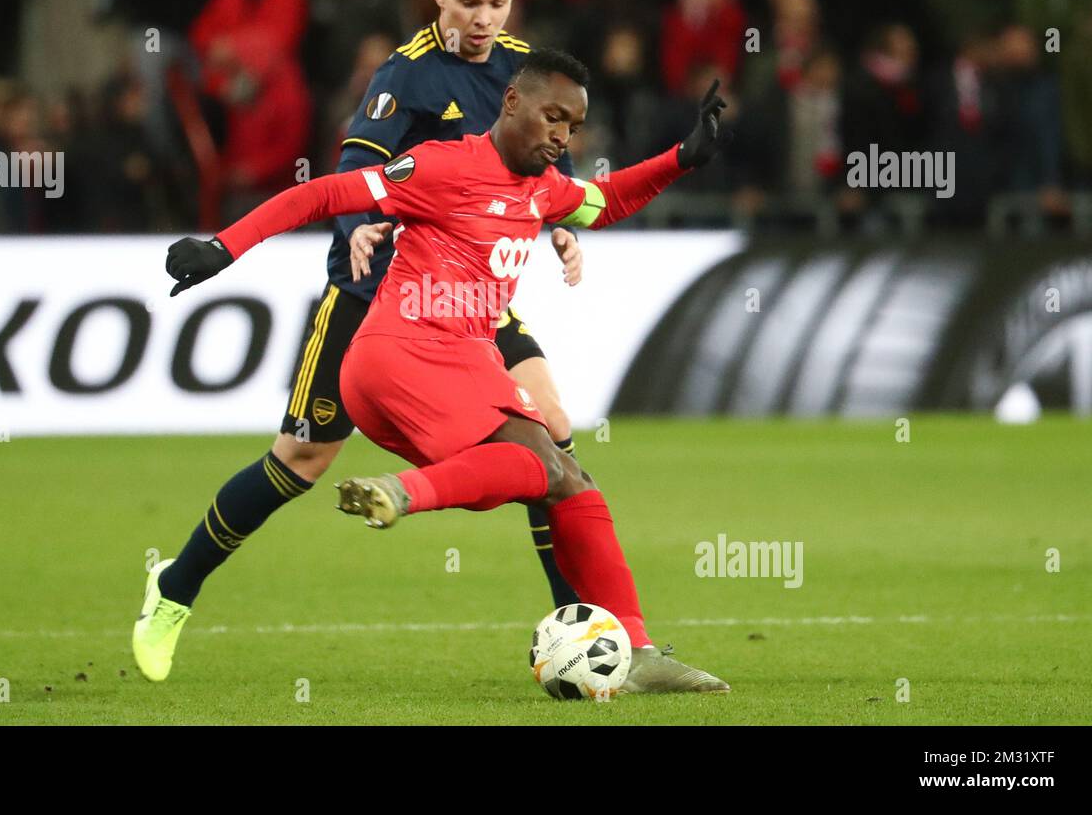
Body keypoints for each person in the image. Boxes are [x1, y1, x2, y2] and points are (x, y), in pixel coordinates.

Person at [149, 49, 733, 693]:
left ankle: (638, 649)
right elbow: (327, 192)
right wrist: (224, 245)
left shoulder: (542, 190)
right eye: (552, 117)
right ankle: (402, 493)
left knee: (567, 476)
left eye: (573, 126)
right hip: (397, 352)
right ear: (512, 103)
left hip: (463, 359)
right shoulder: (441, 164)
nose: (562, 136)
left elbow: (604, 200)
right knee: (528, 461)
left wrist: (682, 158)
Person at [140, 0, 585, 672]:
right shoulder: (402, 77)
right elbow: (349, 174)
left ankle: (581, 621)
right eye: (469, 2)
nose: (482, 20)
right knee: (301, 461)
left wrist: (563, 226)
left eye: (498, 3)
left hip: (469, 295)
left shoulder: (523, 73)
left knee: (554, 433)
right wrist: (358, 228)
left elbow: (532, 176)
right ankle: (175, 588)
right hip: (375, 294)